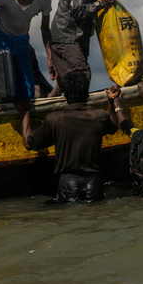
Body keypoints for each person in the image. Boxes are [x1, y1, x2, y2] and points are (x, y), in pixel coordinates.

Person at [19, 71, 128, 202]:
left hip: (68, 184)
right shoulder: (99, 116)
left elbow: (29, 143)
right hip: (94, 183)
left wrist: (25, 114)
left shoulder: (54, 119)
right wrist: (111, 102)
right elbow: (113, 126)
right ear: (87, 94)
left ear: (65, 95)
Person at [49, 0, 116, 95]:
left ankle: (47, 107)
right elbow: (78, 11)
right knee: (81, 74)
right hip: (66, 37)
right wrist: (102, 3)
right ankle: (78, 112)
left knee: (67, 81)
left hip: (80, 38)